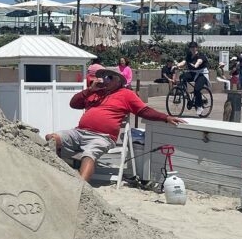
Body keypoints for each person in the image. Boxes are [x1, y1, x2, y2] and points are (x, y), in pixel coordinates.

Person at [45, 67, 180, 183]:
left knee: (89, 154)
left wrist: (165, 117)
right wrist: (90, 90)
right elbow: (74, 104)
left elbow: (144, 111)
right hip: (80, 132)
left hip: (102, 137)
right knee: (52, 138)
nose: (104, 79)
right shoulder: (96, 93)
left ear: (118, 80)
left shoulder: (126, 94)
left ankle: (80, 187)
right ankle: (54, 177)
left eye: (109, 77)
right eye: (103, 76)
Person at [177, 41, 210, 117]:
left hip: (202, 74)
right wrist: (177, 65)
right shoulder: (189, 55)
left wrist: (195, 65)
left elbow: (199, 62)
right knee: (182, 76)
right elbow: (184, 62)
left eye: (194, 47)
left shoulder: (201, 55)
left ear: (196, 48)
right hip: (193, 73)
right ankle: (184, 91)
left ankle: (199, 106)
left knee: (197, 89)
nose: (192, 49)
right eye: (191, 47)